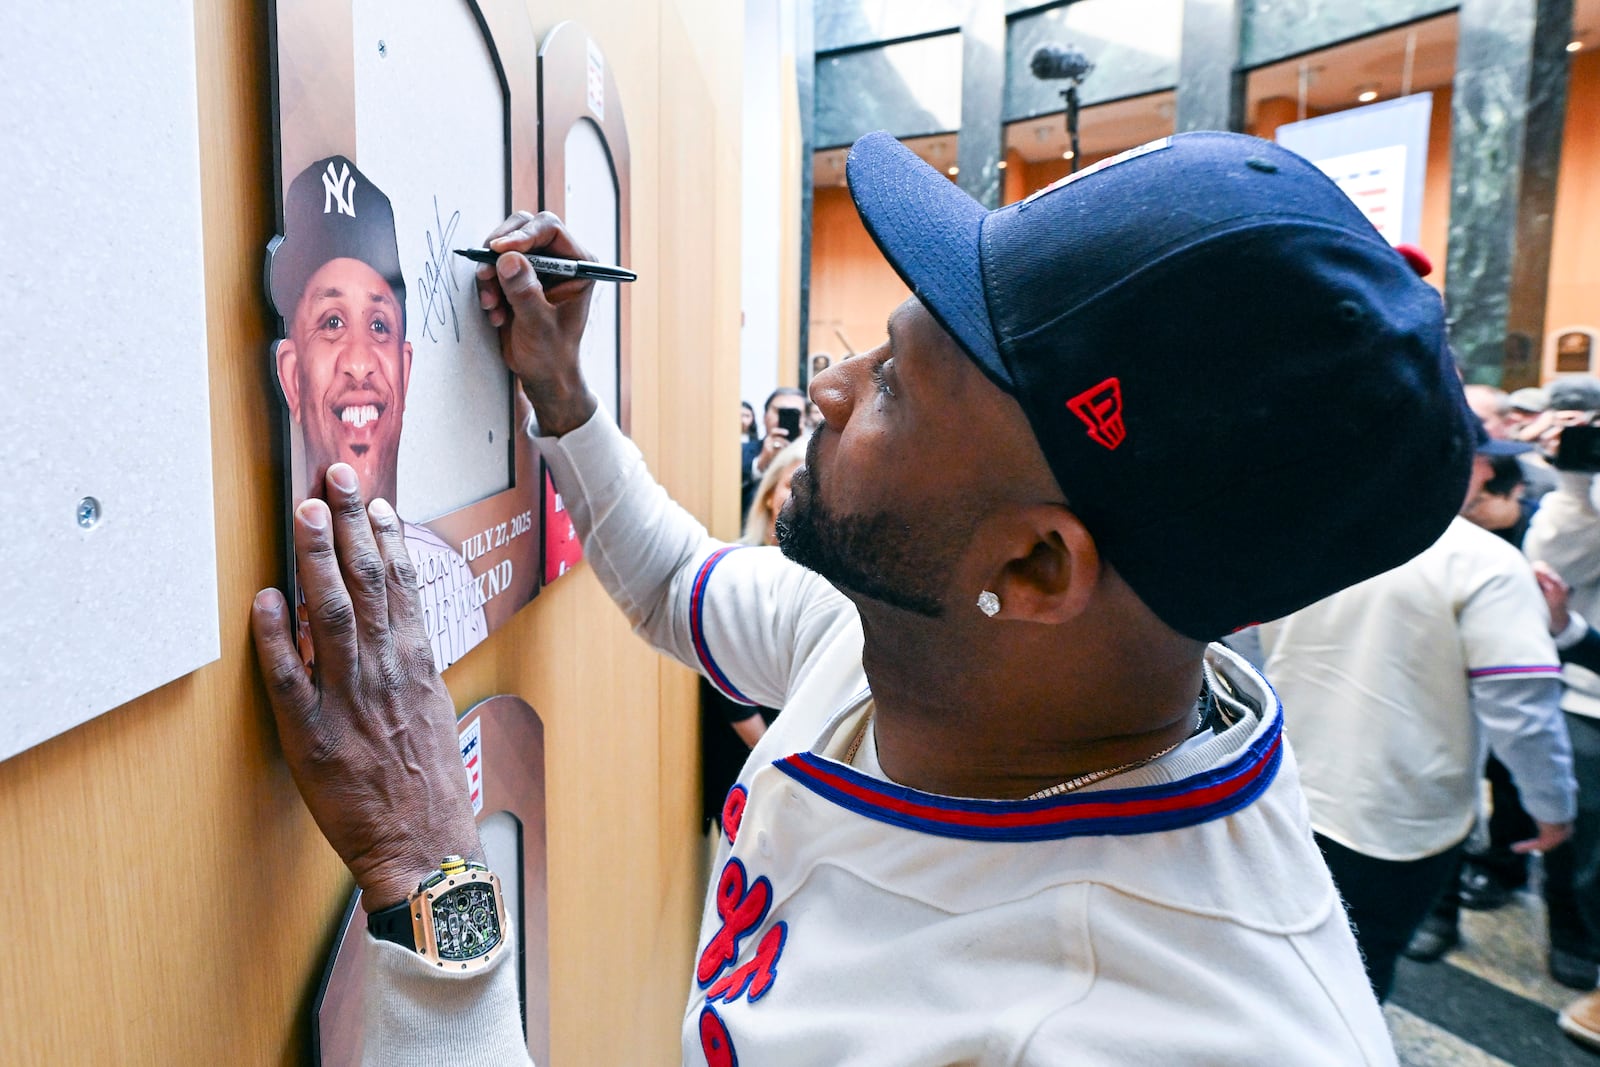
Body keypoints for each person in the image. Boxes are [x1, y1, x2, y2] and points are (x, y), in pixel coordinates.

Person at [252, 131, 1481, 1064]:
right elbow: (679, 577)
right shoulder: (949, 659)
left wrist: (433, 881)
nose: (829, 385)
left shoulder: (1132, 1029)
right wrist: (561, 393)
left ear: (1036, 567)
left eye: (898, 382)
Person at [1257, 424, 1576, 1002]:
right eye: (1481, 460)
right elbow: (1522, 712)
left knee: (1295, 966)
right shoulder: (1483, 562)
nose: (1487, 474)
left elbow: (1256, 658)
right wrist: (1551, 807)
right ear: (1455, 461)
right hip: (1400, 819)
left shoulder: (1306, 535)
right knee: (1361, 973)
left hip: (1288, 792)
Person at [267, 155, 487, 671]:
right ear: (291, 375)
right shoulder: (263, 587)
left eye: (380, 325)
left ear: (405, 374)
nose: (361, 363)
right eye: (333, 321)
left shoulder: (449, 579)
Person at [740, 387, 806, 515]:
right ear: (764, 417)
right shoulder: (742, 451)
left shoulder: (813, 458)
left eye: (794, 414)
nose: (785, 419)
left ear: (803, 419)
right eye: (780, 412)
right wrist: (760, 464)